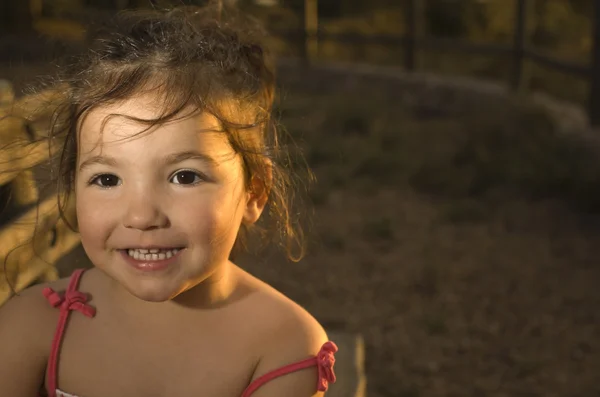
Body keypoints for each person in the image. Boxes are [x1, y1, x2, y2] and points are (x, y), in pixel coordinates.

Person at [0, 4, 337, 397]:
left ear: (253, 192)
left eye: (184, 176)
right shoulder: (33, 325)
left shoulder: (284, 347)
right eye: (107, 178)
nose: (142, 216)